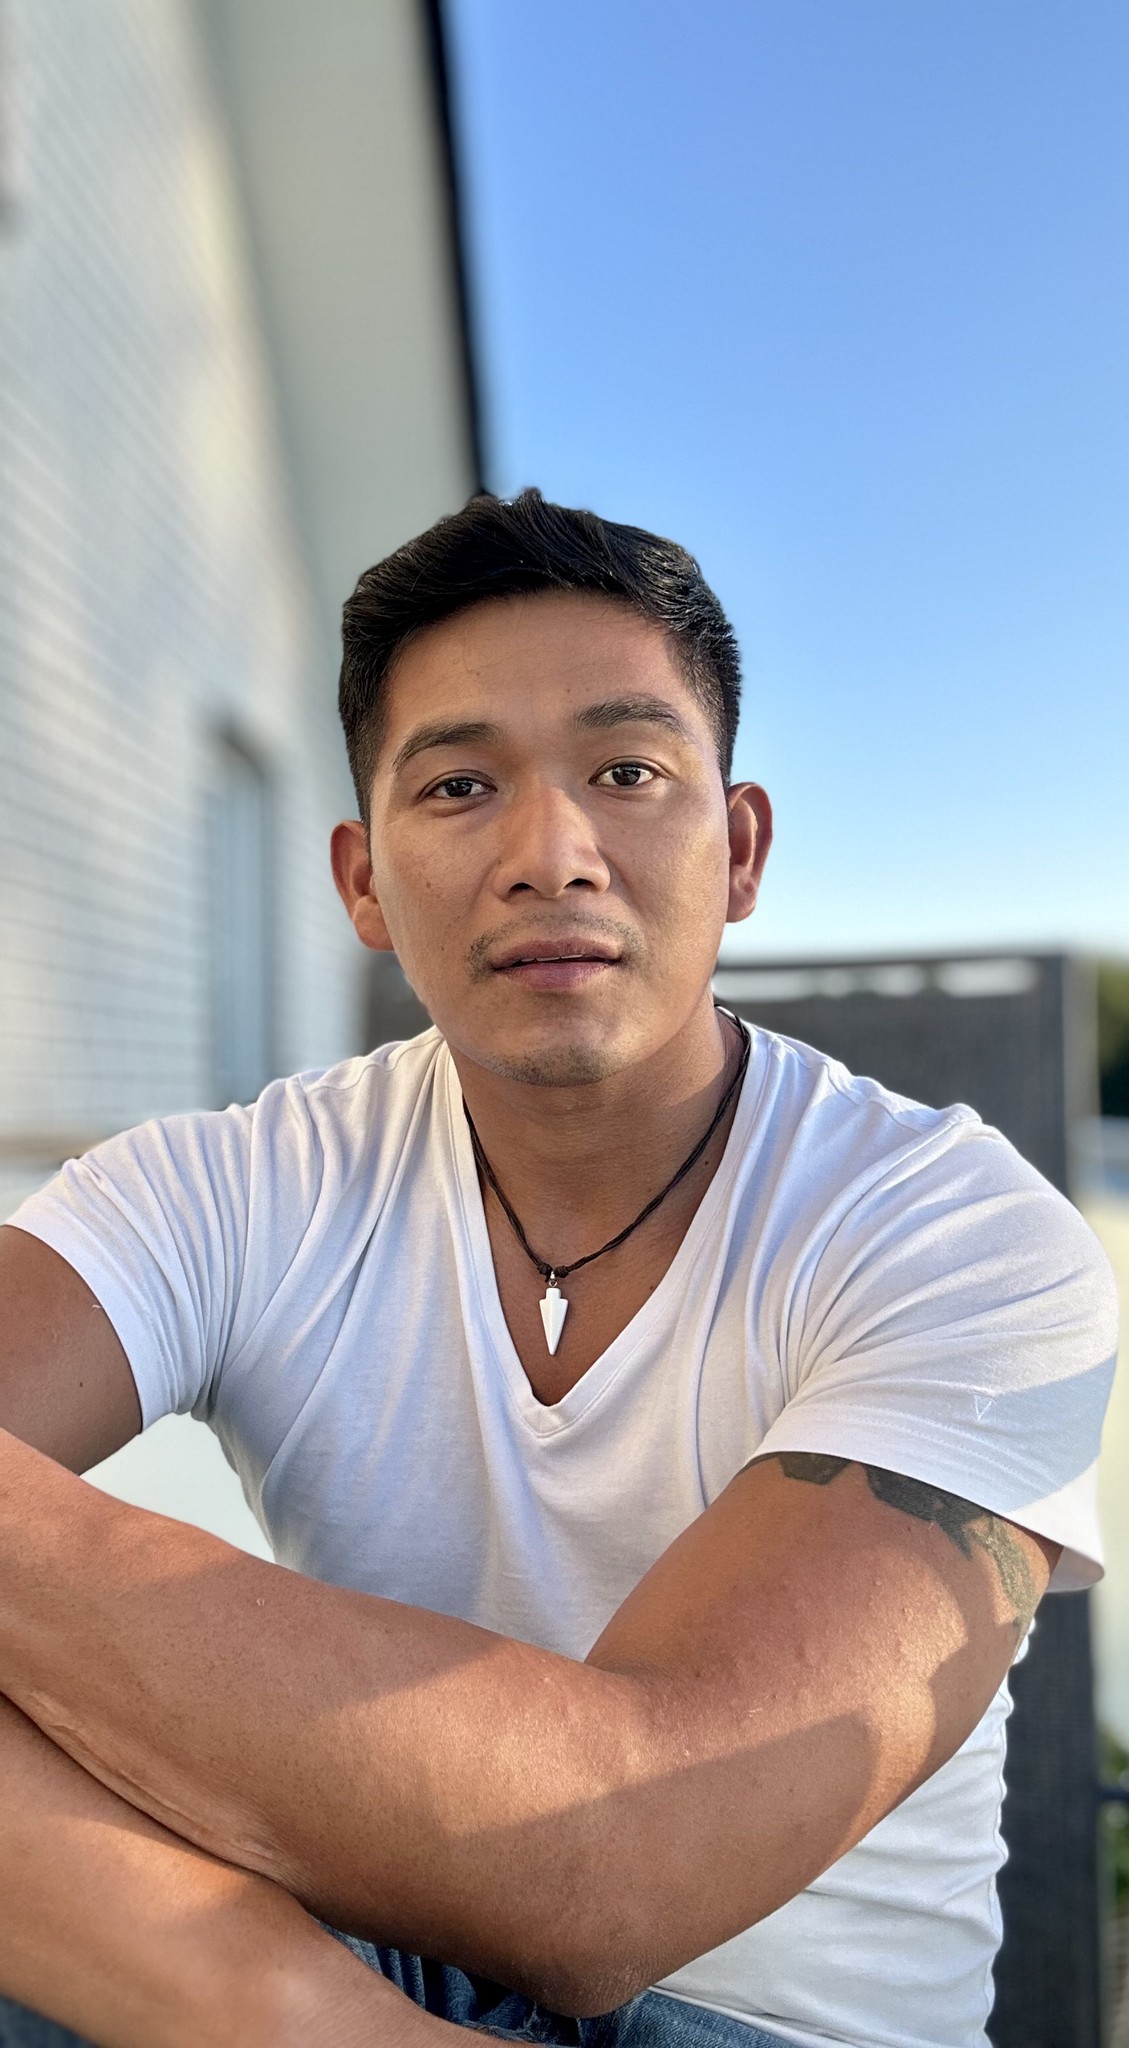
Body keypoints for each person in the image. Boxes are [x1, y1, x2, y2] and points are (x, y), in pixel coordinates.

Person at [0, 491, 1117, 2048]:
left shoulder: (955, 1235)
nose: (550, 855)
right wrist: (279, 2005)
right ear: (363, 882)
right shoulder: (233, 1185)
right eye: (459, 785)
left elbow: (616, 1870)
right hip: (357, 1972)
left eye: (626, 772)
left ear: (738, 848)